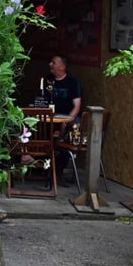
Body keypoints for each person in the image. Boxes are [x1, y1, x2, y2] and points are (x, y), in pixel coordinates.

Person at [45, 54, 82, 185]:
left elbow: (77, 106)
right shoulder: (48, 80)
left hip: (68, 118)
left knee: (72, 130)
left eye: (53, 62)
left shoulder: (73, 82)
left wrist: (65, 122)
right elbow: (42, 102)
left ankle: (59, 169)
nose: (50, 64)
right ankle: (38, 163)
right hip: (51, 118)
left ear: (62, 66)